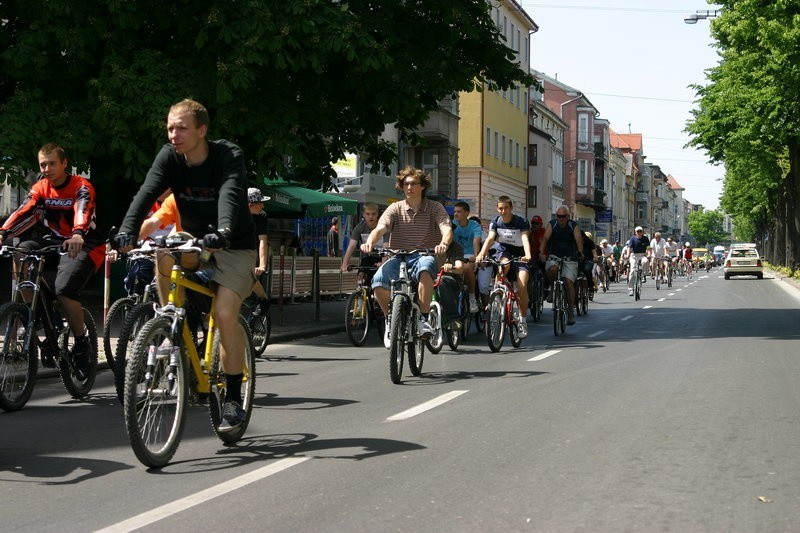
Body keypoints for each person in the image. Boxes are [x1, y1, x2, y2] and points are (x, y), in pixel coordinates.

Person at [112, 98, 257, 433]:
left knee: (223, 315)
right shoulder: (169, 156)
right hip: (194, 239)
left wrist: (222, 230)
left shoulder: (227, 155)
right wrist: (127, 231)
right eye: (170, 128)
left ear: (202, 130)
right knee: (164, 253)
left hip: (233, 243)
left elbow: (231, 194)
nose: (173, 134)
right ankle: (170, 320)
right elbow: (146, 192)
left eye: (181, 128)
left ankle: (233, 398)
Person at [0, 143, 105, 380]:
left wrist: (78, 232)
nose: (47, 168)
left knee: (64, 290)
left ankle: (80, 344)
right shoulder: (41, 187)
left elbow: (83, 208)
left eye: (52, 163)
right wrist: (3, 232)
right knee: (20, 254)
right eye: (42, 164)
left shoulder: (81, 186)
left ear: (64, 163)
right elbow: (25, 209)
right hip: (53, 242)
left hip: (84, 242)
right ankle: (35, 313)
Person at [360, 166, 452, 344]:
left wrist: (443, 244)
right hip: (398, 255)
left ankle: (423, 319)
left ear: (422, 186)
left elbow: (446, 228)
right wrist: (371, 242)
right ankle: (390, 319)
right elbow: (381, 228)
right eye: (406, 184)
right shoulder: (395, 208)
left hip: (425, 254)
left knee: (425, 268)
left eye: (414, 184)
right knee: (378, 281)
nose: (409, 187)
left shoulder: (435, 208)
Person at [475, 196, 533, 338]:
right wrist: (481, 254)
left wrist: (528, 254)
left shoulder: (521, 221)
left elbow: (525, 238)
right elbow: (490, 238)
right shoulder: (496, 222)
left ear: (511, 208)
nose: (503, 211)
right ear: (497, 209)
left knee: (522, 284)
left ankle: (522, 320)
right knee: (502, 266)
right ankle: (497, 299)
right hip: (505, 252)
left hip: (520, 256)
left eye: (506, 208)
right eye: (500, 208)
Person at [538, 205, 583, 325]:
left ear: (568, 217)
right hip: (554, 257)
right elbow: (545, 239)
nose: (561, 219)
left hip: (570, 259)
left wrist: (580, 252)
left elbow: (578, 240)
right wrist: (541, 252)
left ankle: (570, 311)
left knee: (568, 282)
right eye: (559, 216)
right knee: (553, 268)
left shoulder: (573, 226)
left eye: (563, 217)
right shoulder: (552, 224)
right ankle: (553, 289)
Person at [451, 201, 482, 313]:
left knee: (468, 268)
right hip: (456, 255)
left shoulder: (474, 225)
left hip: (470, 255)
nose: (455, 214)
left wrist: (475, 255)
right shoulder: (452, 224)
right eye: (455, 211)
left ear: (467, 213)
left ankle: (472, 297)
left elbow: (476, 240)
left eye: (459, 211)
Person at [340, 202, 384, 272]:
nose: (370, 216)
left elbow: (387, 246)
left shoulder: (382, 227)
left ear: (377, 214)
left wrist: (383, 262)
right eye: (368, 214)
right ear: (363, 214)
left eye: (373, 214)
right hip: (367, 258)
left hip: (383, 257)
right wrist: (345, 264)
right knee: (361, 276)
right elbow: (351, 246)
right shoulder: (359, 228)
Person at [247, 187, 271, 306]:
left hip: (253, 252)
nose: (263, 206)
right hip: (238, 250)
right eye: (261, 203)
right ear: (251, 204)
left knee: (249, 277)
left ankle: (263, 300)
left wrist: (262, 265)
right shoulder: (236, 214)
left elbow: (263, 240)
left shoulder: (261, 215)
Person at [623, 226, 650, 296]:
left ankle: (643, 274)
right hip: (634, 256)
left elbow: (648, 247)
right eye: (638, 231)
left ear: (642, 232)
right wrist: (628, 255)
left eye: (640, 231)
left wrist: (649, 254)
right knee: (632, 271)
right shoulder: (632, 238)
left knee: (646, 261)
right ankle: (631, 289)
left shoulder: (645, 238)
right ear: (635, 232)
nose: (639, 232)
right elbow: (629, 247)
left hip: (643, 255)